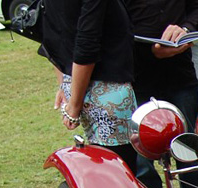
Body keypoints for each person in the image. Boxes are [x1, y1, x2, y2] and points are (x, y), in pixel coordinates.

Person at [129, 0, 198, 188]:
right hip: (137, 78)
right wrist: (150, 50)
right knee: (142, 159)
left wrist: (186, 30)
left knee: (189, 151)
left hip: (180, 75)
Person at [41, 0, 138, 173]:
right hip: (109, 92)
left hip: (82, 83)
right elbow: (86, 44)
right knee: (118, 178)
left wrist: (66, 86)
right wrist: (74, 105)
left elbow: (50, 37)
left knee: (105, 171)